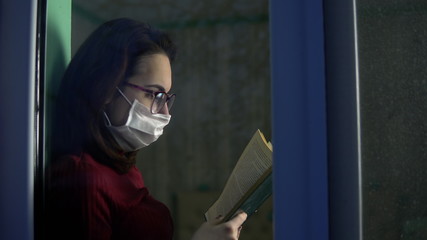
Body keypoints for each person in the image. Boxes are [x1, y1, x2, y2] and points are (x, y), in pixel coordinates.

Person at [45, 18, 247, 240]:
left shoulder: (119, 163)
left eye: (166, 97)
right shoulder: (81, 176)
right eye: (153, 94)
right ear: (106, 88)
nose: (165, 114)